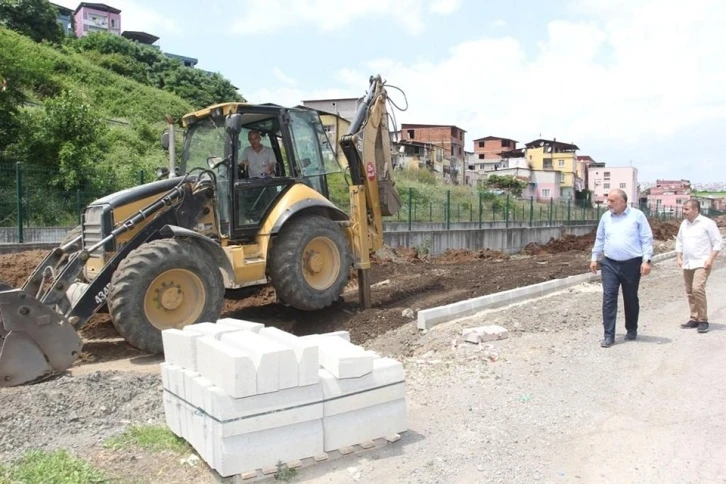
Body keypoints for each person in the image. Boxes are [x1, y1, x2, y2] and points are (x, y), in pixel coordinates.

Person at [590, 189, 654, 348]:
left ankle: (631, 329)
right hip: (610, 263)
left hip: (632, 263)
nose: (608, 204)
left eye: (612, 201)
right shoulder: (606, 217)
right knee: (608, 298)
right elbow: (600, 238)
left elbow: (646, 239)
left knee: (630, 297)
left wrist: (647, 261)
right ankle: (609, 335)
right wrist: (594, 257)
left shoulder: (637, 216)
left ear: (623, 202)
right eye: (608, 200)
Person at [675, 199, 722, 333]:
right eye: (684, 209)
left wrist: (710, 260)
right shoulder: (684, 224)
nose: (684, 212)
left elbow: (718, 243)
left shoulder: (707, 223)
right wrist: (679, 257)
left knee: (697, 289)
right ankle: (694, 318)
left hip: (702, 262)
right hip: (688, 262)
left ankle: (703, 320)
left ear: (695, 210)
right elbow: (679, 241)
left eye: (687, 209)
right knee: (690, 291)